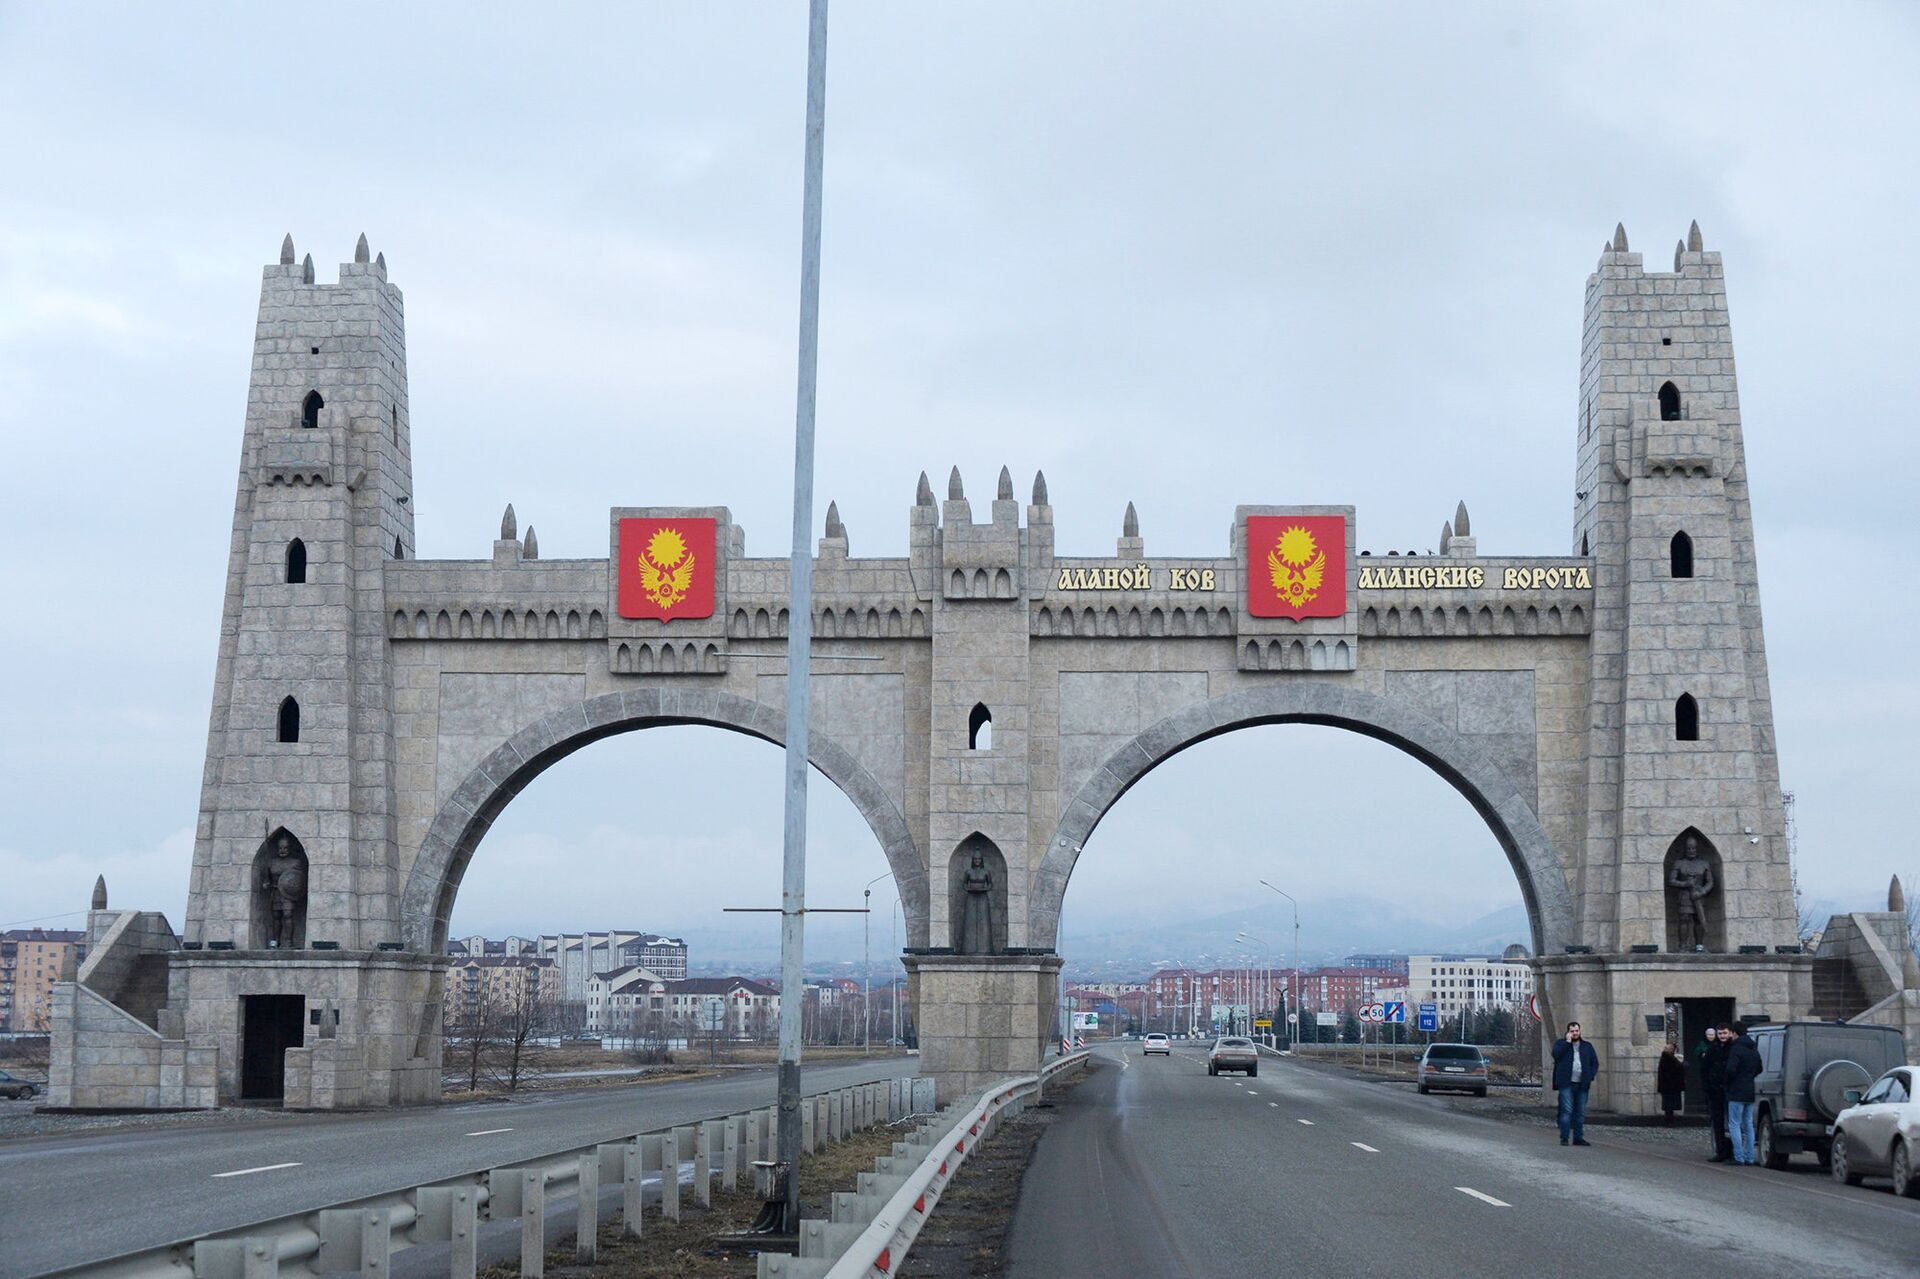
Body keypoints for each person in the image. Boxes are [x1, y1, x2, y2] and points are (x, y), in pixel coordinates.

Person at [1550, 1020, 1600, 1146]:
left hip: (1582, 1084)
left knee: (1580, 1112)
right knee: (1567, 1111)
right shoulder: (1561, 1044)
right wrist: (1567, 1043)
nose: (1574, 1033)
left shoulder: (1587, 1046)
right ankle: (1565, 1137)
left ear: (1580, 1031)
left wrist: (1590, 1076)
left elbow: (1594, 1063)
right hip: (1566, 1083)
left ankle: (1578, 1138)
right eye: (1572, 1031)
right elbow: (1556, 1055)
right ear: (1568, 1032)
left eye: (1576, 1031)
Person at [1723, 1021, 1763, 1165]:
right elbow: (1759, 1068)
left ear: (1734, 1033)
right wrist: (1749, 1076)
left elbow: (1730, 1069)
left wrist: (1727, 1082)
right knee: (1748, 1125)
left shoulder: (1736, 1048)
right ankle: (1750, 1157)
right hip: (1749, 1089)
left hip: (1736, 1090)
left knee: (1734, 1124)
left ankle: (1738, 1157)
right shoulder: (1753, 1048)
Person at [1696, 1025, 1733, 1162]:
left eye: (1724, 1033)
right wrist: (1707, 1086)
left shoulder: (1733, 1049)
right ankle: (1721, 1151)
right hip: (1715, 1090)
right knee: (1717, 1122)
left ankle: (1733, 1151)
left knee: (1732, 1122)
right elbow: (1704, 1069)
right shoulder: (1713, 1049)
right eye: (1720, 1033)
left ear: (1730, 1033)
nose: (1722, 1036)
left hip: (1729, 1090)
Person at [1657, 1046, 1686, 1124]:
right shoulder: (1668, 1058)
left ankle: (1669, 1120)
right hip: (1670, 1085)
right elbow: (1676, 1069)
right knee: (1669, 1105)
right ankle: (1669, 1121)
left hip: (1668, 1086)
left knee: (1669, 1105)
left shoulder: (1666, 1058)